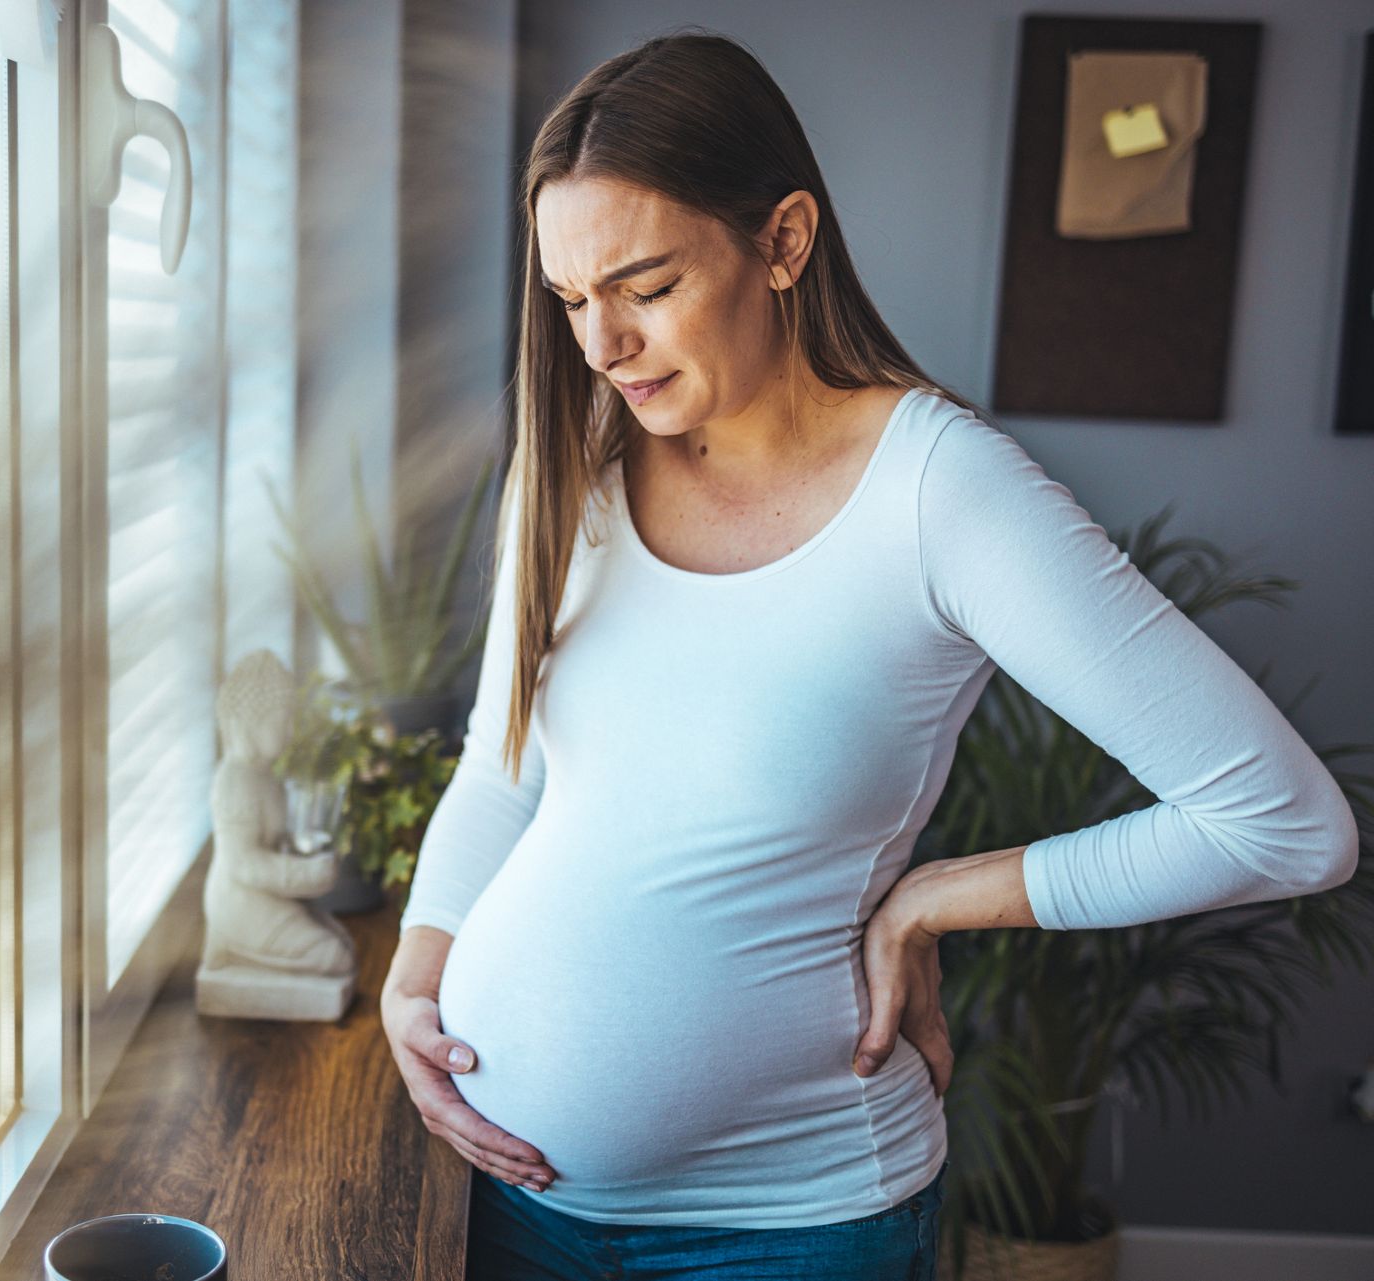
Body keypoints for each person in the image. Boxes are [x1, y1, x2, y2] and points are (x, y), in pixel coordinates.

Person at [377, 26, 1359, 1281]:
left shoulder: (944, 495)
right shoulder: (575, 466)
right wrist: (420, 977)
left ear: (783, 240)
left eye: (646, 285)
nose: (600, 345)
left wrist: (935, 899)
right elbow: (507, 764)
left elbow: (1285, 823)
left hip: (793, 1229)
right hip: (514, 1206)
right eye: (571, 299)